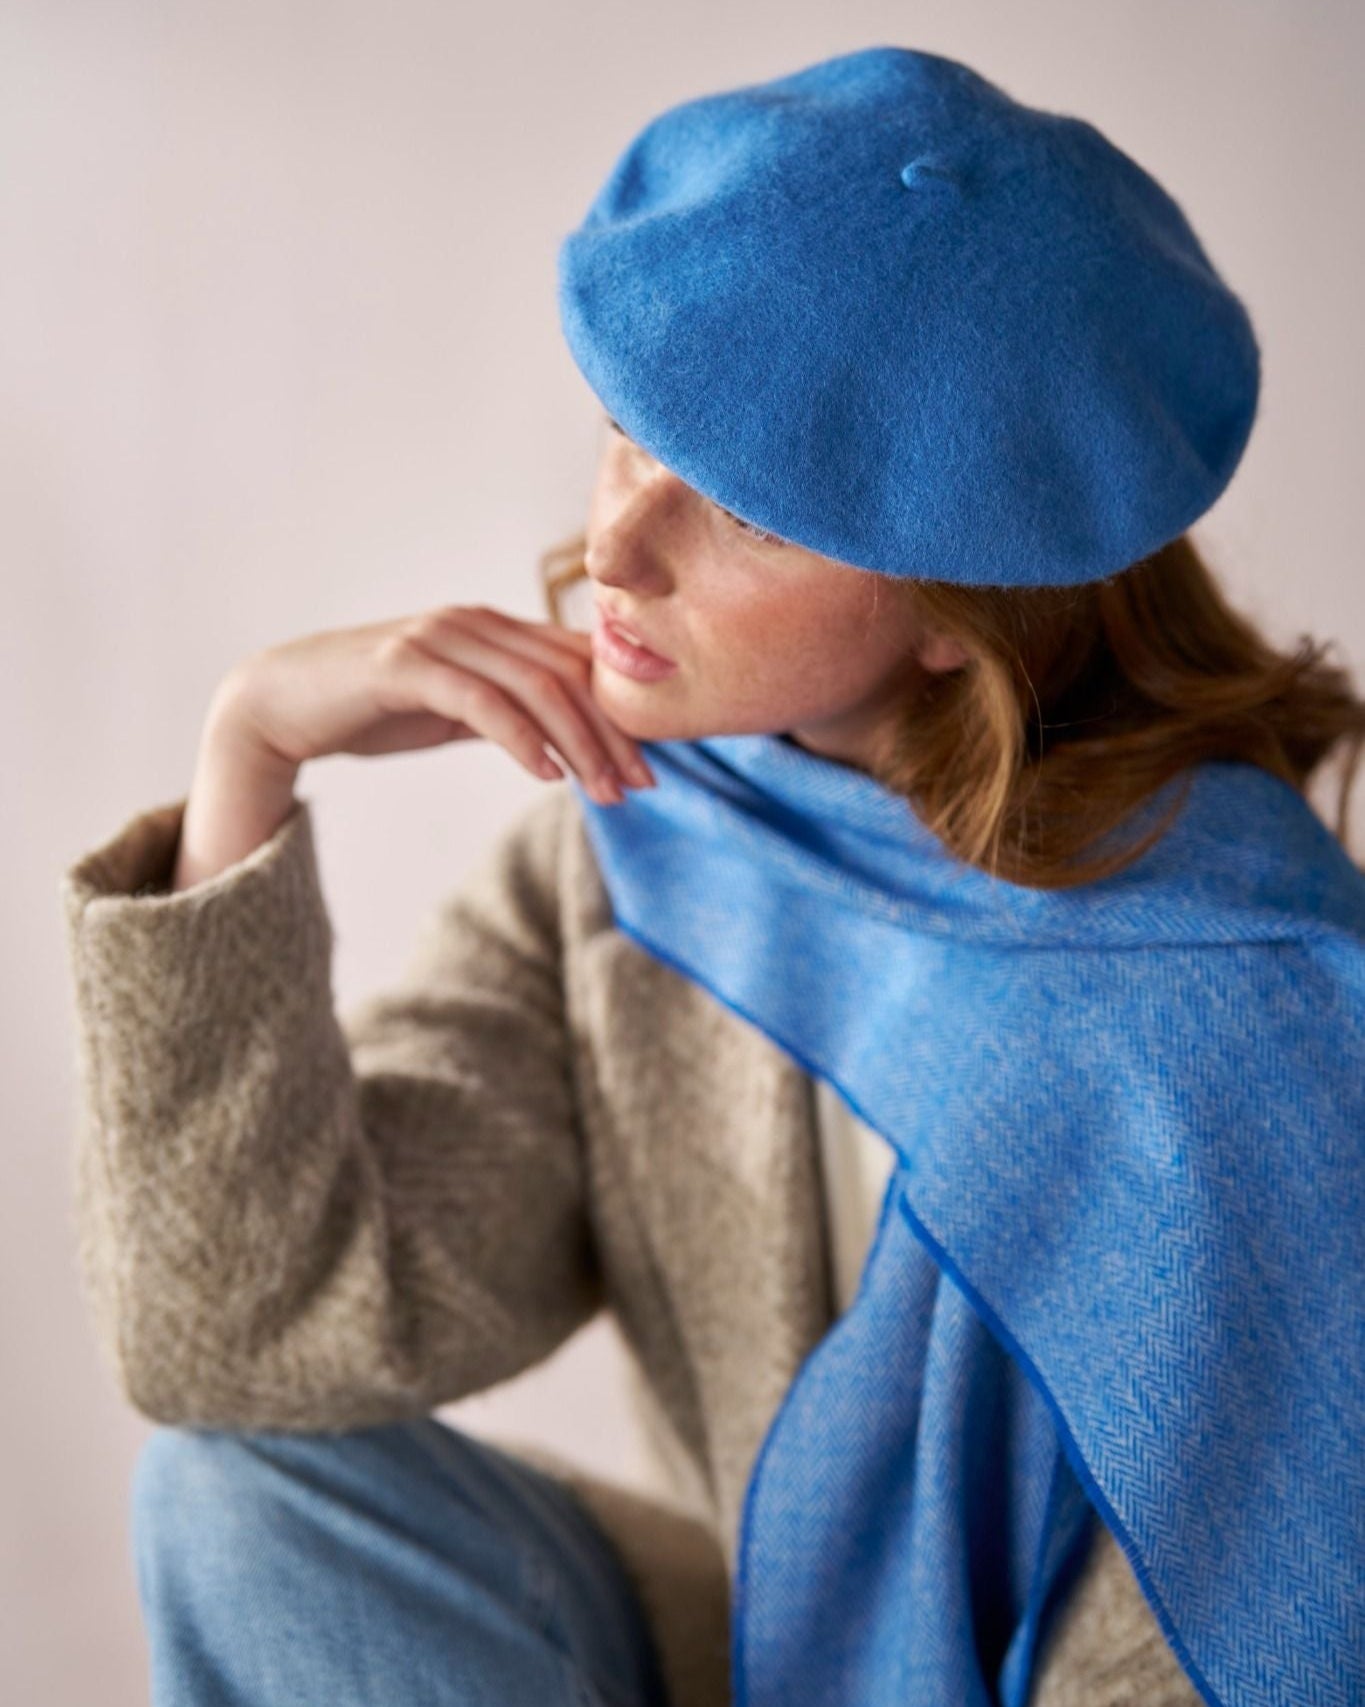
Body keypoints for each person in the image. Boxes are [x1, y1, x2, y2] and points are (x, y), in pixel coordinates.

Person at [59, 45, 1365, 1707]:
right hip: (765, 1649)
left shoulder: (1251, 1034)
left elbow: (1257, 1634)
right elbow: (246, 1336)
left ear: (965, 614)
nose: (614, 544)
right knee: (237, 1493)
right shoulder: (650, 839)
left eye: (741, 509)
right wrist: (246, 753)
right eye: (627, 433)